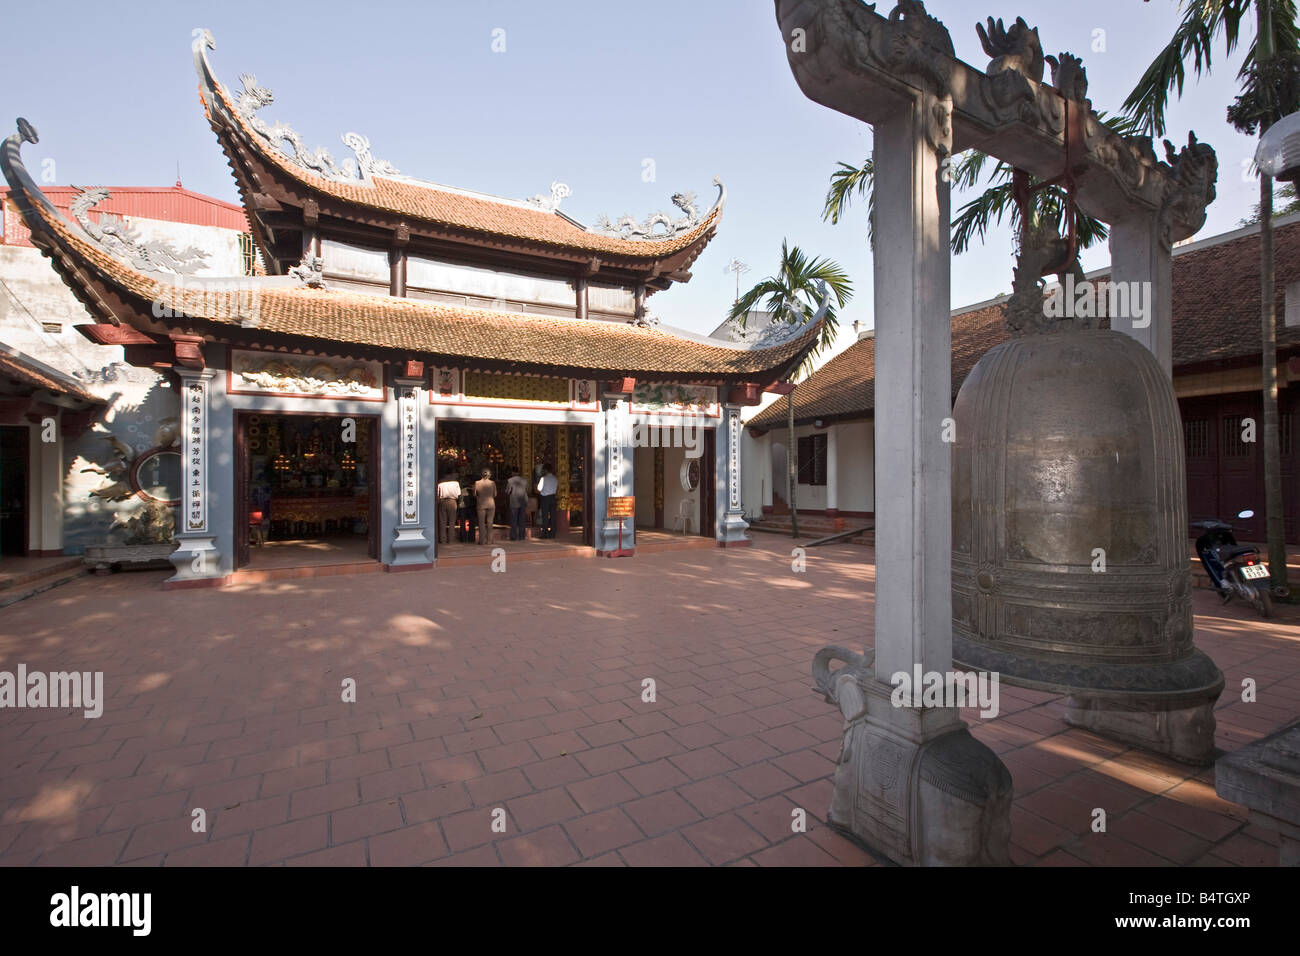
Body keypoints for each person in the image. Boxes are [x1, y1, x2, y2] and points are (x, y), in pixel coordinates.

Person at [436, 470, 461, 545]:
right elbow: (458, 494)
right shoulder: (456, 483)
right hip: (452, 502)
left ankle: (442, 540)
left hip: (443, 502)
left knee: (442, 521)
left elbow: (437, 495)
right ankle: (451, 540)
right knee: (452, 522)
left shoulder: (440, 483)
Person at [474, 469, 497, 546]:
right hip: (491, 504)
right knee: (490, 523)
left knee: (481, 523)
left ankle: (482, 541)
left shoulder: (477, 483)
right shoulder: (492, 483)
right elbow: (495, 494)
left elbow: (474, 494)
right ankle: (489, 540)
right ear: (489, 475)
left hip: (481, 503)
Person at [506, 469, 529, 541]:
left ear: (513, 472)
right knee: (522, 519)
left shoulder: (510, 480)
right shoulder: (524, 480)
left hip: (514, 501)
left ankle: (513, 536)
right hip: (523, 501)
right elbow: (527, 490)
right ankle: (522, 536)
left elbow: (508, 491)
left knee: (514, 519)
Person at [536, 463, 557, 539]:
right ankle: (553, 533)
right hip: (553, 498)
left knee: (545, 516)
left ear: (546, 470)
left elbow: (539, 489)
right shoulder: (555, 478)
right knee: (553, 516)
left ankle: (545, 533)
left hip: (545, 498)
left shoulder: (543, 478)